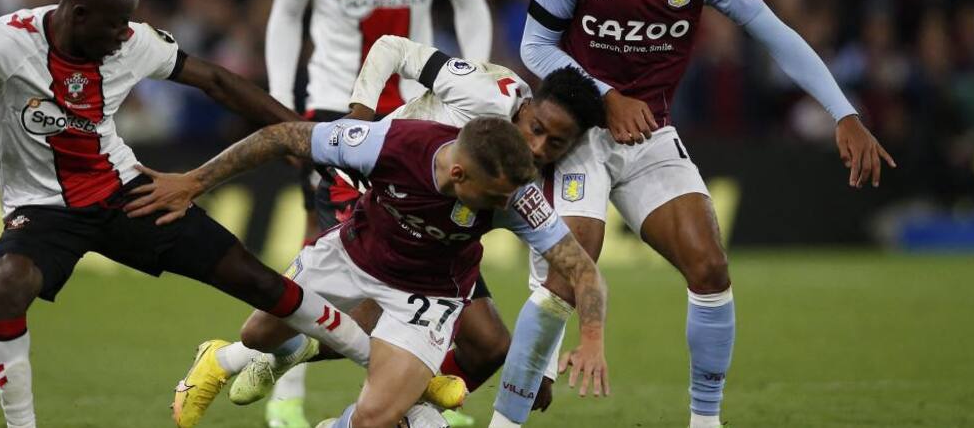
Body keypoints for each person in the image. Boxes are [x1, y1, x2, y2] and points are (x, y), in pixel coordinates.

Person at [0, 0, 380, 428]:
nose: (124, 36)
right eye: (115, 26)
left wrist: (304, 136)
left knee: (257, 281)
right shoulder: (4, 41)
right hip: (41, 210)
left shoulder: (130, 42)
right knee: (6, 287)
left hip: (125, 193)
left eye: (128, 26)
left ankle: (375, 369)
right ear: (78, 14)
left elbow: (215, 80)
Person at [498, 0, 896, 428]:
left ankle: (705, 423)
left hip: (651, 135)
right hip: (579, 132)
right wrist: (607, 95)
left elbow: (774, 33)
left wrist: (843, 112)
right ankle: (504, 424)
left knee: (710, 267)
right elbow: (535, 46)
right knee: (568, 269)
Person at [126, 116, 611, 428]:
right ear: (460, 175)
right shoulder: (392, 144)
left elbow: (582, 270)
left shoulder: (516, 196)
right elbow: (278, 138)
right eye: (496, 197)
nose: (508, 206)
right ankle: (224, 356)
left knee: (376, 419)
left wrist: (591, 339)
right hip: (351, 256)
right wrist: (194, 181)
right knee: (258, 333)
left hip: (430, 295)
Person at [264, 0, 492, 428]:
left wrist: (469, 86)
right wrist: (287, 108)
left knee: (408, 257)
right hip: (340, 105)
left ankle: (392, 399)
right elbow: (286, 18)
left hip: (421, 114)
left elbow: (471, 6)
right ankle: (285, 379)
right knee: (345, 251)